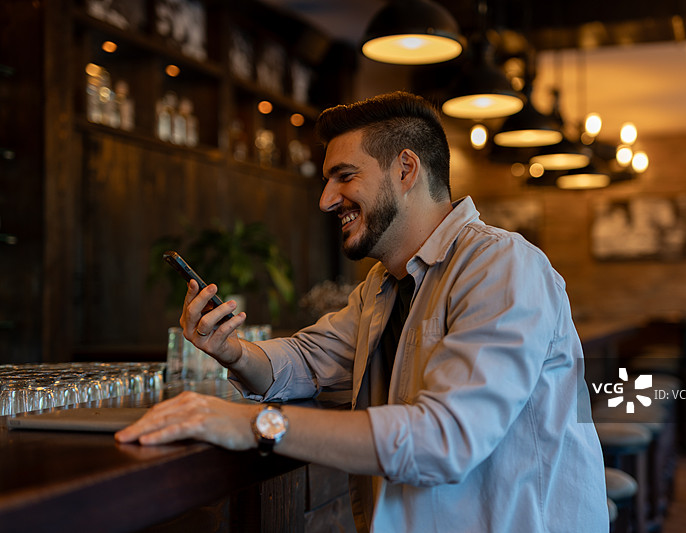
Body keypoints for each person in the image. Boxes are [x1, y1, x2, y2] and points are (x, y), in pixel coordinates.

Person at [116, 91, 608, 532]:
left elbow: (446, 439)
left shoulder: (502, 265)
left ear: (406, 169)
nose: (327, 200)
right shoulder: (384, 285)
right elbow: (308, 360)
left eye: (344, 177)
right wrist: (233, 351)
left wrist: (251, 425)